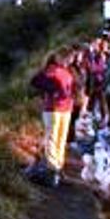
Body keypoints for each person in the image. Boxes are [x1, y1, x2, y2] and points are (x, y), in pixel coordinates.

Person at [29, 50, 75, 187]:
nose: (71, 60)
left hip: (64, 109)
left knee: (60, 139)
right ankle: (52, 170)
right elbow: (35, 81)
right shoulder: (52, 70)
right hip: (53, 109)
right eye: (69, 58)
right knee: (53, 139)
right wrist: (52, 91)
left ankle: (57, 168)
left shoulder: (64, 71)